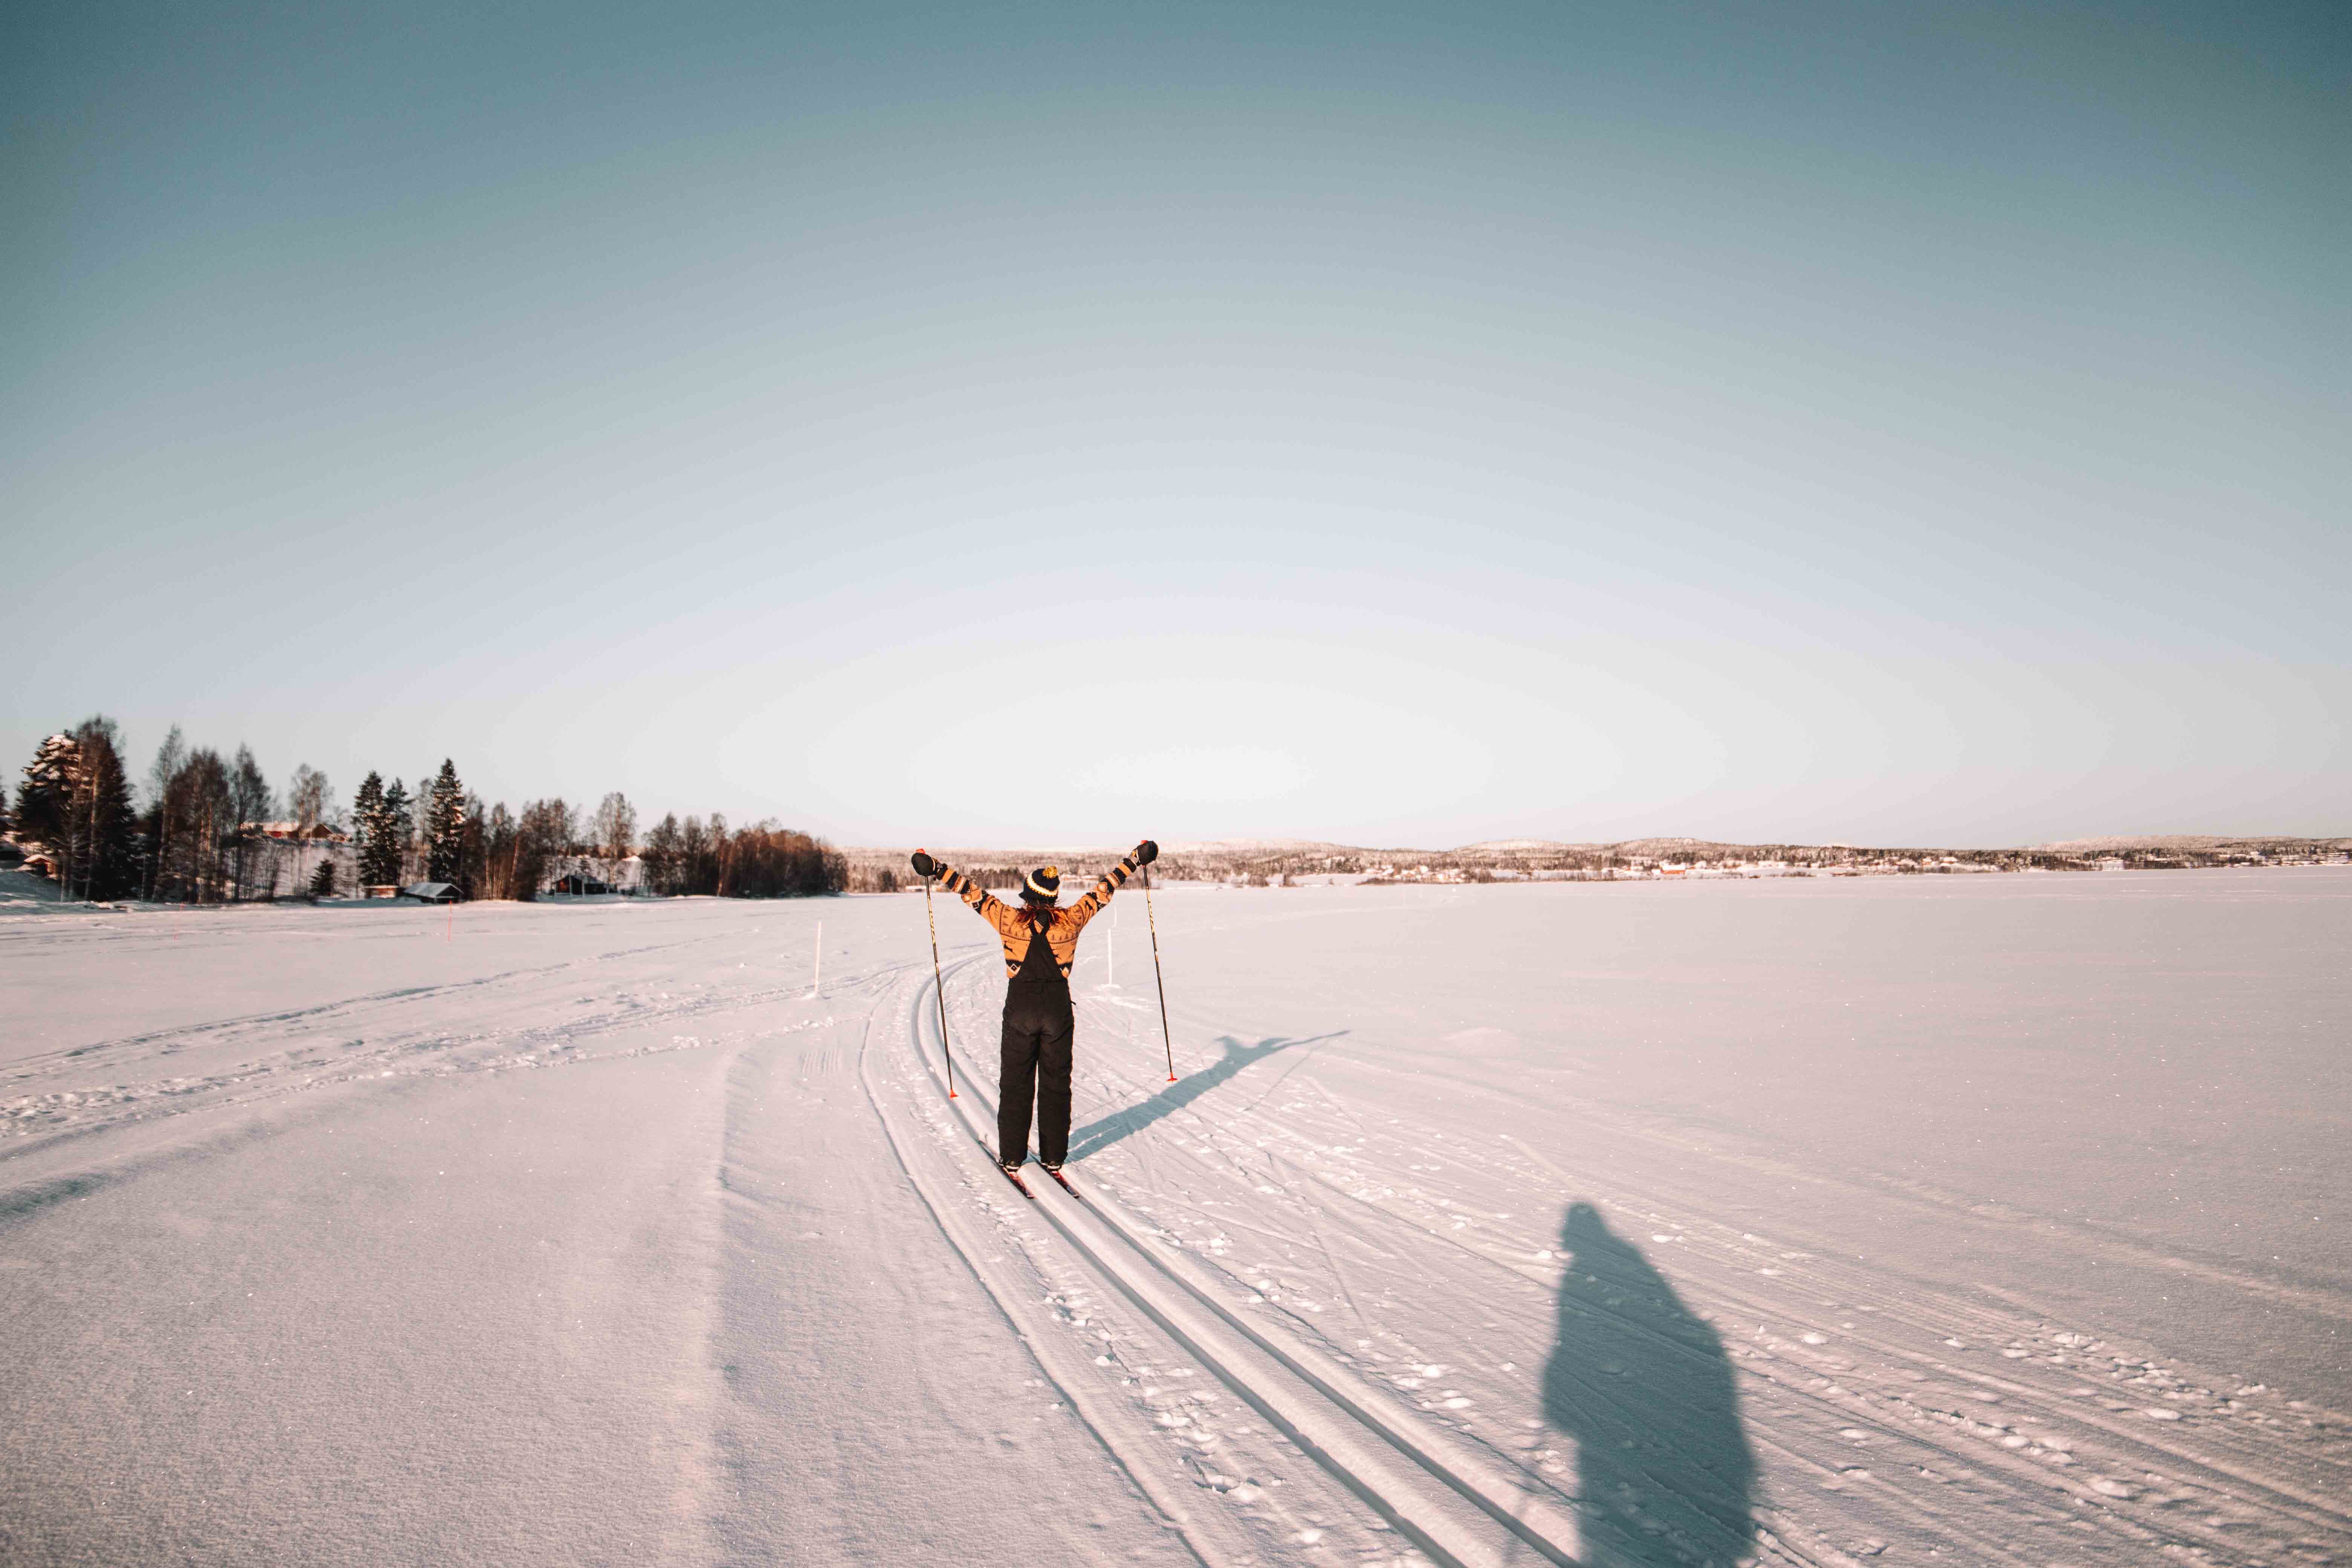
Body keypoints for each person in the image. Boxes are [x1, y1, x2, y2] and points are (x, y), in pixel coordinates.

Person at [911, 841, 1157, 1175]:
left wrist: (935, 868)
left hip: (1021, 1012)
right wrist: (1134, 860)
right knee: (1057, 1084)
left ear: (1027, 895)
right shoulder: (1071, 921)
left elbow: (970, 892)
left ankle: (1013, 1156)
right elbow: (1105, 889)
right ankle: (1054, 1156)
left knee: (1016, 1083)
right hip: (1058, 1013)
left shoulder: (1008, 920)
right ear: (1054, 897)